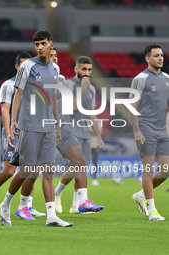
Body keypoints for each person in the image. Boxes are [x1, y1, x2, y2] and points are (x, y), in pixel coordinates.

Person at [0, 30, 73, 227]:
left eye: (43, 43)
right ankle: (5, 204)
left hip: (48, 126)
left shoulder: (55, 68)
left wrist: (57, 126)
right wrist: (14, 121)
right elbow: (18, 94)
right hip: (29, 126)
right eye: (37, 44)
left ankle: (51, 217)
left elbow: (54, 99)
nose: (39, 47)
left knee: (48, 171)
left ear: (51, 45)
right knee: (27, 171)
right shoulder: (28, 66)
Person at [0, 52, 45, 217]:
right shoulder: (8, 85)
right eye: (23, 65)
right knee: (9, 171)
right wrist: (8, 131)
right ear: (17, 67)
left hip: (31, 131)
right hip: (13, 132)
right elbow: (5, 110)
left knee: (31, 167)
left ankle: (26, 206)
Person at [53, 56, 104, 214]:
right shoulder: (67, 84)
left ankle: (76, 206)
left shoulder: (92, 88)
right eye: (83, 69)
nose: (86, 72)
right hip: (71, 131)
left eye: (89, 69)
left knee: (82, 168)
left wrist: (98, 136)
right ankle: (57, 193)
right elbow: (71, 108)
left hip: (85, 134)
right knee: (76, 166)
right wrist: (82, 89)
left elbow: (92, 114)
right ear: (75, 69)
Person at [131, 44, 169, 221]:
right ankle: (152, 210)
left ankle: (140, 195)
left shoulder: (166, 78)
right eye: (156, 56)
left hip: (162, 129)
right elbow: (133, 107)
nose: (160, 58)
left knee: (166, 170)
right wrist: (137, 131)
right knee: (148, 170)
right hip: (146, 128)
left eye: (161, 55)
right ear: (147, 58)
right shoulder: (140, 79)